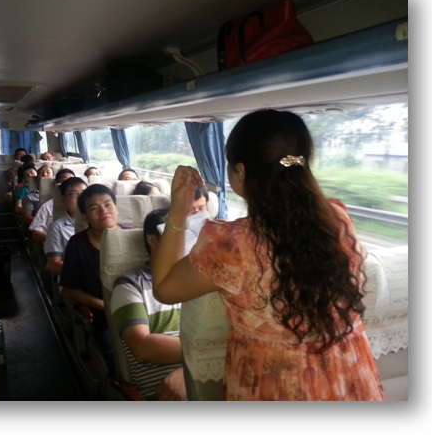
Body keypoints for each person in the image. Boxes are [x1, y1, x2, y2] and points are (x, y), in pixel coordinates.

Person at [152, 109, 385, 401]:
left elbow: (164, 287)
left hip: (277, 386)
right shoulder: (338, 220)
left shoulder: (232, 244)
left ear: (240, 171)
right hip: (348, 377)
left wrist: (179, 208)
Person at [110, 209, 185, 400]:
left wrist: (193, 371)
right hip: (164, 392)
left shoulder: (202, 281)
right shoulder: (129, 285)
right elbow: (143, 347)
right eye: (176, 234)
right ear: (153, 241)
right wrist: (204, 355)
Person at [59, 184, 123, 373]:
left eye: (108, 204)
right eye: (95, 208)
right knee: (116, 359)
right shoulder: (77, 244)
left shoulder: (134, 237)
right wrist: (106, 306)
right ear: (85, 217)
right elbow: (70, 290)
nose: (104, 211)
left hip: (140, 313)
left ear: (116, 208)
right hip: (104, 318)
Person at [44, 177, 87, 276]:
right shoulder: (57, 227)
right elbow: (54, 266)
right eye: (73, 194)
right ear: (63, 200)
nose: (80, 198)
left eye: (84, 193)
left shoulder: (98, 222)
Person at [27, 168, 73, 237]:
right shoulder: (48, 206)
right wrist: (58, 239)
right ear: (56, 184)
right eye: (64, 180)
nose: (70, 184)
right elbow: (36, 234)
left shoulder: (82, 204)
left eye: (72, 180)